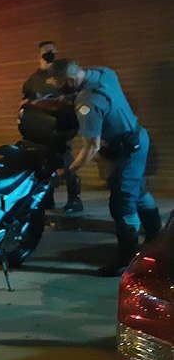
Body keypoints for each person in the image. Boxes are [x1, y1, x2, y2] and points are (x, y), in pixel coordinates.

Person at [50, 59, 161, 277]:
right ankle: (155, 237)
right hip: (138, 138)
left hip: (127, 150)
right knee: (137, 190)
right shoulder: (104, 73)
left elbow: (92, 147)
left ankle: (127, 259)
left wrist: (67, 171)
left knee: (122, 203)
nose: (59, 89)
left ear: (70, 81)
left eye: (59, 84)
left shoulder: (87, 103)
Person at [21, 41, 83, 213]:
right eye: (47, 52)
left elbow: (75, 95)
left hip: (62, 125)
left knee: (66, 160)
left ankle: (74, 199)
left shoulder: (61, 74)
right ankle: (47, 199)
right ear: (40, 54)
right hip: (42, 128)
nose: (51, 55)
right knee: (44, 163)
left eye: (53, 52)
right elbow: (25, 100)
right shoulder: (33, 80)